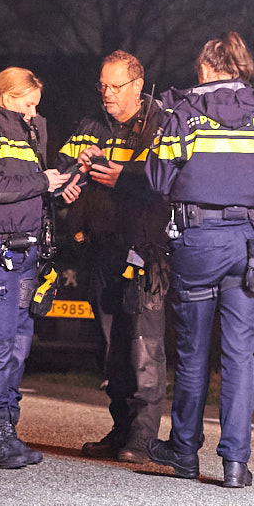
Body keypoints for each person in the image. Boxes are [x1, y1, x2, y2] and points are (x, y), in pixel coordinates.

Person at [144, 32, 254, 488]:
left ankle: (185, 452)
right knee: (240, 357)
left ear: (208, 68)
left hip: (199, 241)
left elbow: (156, 177)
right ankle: (235, 464)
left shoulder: (184, 117)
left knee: (193, 354)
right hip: (251, 244)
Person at [0, 66, 82, 469]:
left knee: (19, 345)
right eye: (28, 105)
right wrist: (43, 183)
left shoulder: (22, 131)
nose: (32, 113)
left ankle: (9, 428)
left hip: (27, 253)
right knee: (0, 344)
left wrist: (58, 187)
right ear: (8, 97)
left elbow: (27, 188)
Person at [61, 50, 170, 463]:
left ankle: (142, 438)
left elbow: (170, 182)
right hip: (103, 248)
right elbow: (62, 166)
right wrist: (70, 180)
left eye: (115, 86)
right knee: (112, 347)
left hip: (146, 251)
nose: (106, 94)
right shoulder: (91, 126)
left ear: (138, 86)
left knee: (145, 344)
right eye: (102, 86)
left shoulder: (161, 126)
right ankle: (121, 428)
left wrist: (124, 180)